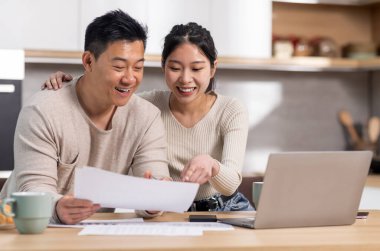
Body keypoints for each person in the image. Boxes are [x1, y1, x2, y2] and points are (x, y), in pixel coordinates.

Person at [43, 22, 253, 211]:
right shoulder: (147, 106)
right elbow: (106, 93)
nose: (185, 79)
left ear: (213, 68)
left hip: (227, 208)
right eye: (175, 68)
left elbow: (231, 184)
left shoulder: (230, 110)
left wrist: (212, 165)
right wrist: (67, 87)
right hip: (172, 210)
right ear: (163, 66)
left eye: (197, 68)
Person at [0, 10, 171, 225]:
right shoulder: (43, 110)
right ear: (89, 61)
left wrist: (155, 201)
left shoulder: (146, 117)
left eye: (138, 67)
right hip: (21, 229)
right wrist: (57, 207)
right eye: (118, 67)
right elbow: (34, 188)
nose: (130, 78)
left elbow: (154, 183)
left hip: (92, 231)